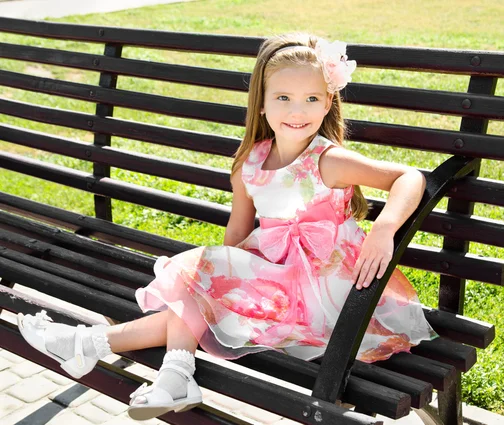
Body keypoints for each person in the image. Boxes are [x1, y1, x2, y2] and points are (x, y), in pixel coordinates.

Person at [17, 33, 436, 421]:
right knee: (203, 284)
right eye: (284, 97)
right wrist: (219, 286)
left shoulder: (328, 160)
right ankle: (148, 366)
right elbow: (236, 235)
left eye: (311, 98)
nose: (297, 110)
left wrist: (384, 228)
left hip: (326, 292)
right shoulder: (251, 162)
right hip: (276, 284)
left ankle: (96, 346)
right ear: (262, 104)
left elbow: (409, 178)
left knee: (201, 276)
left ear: (328, 103)